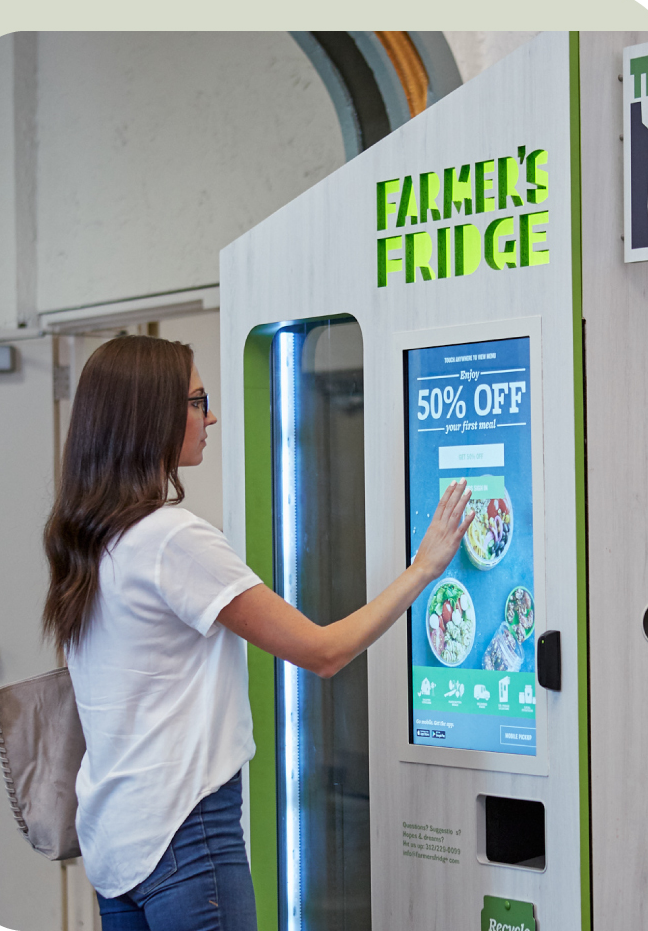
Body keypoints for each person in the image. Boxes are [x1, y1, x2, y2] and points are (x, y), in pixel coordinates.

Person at [42, 335, 472, 930]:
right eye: (197, 401)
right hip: (185, 831)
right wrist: (425, 568)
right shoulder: (172, 538)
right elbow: (323, 652)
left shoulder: (88, 541)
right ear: (150, 415)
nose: (210, 415)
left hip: (115, 848)